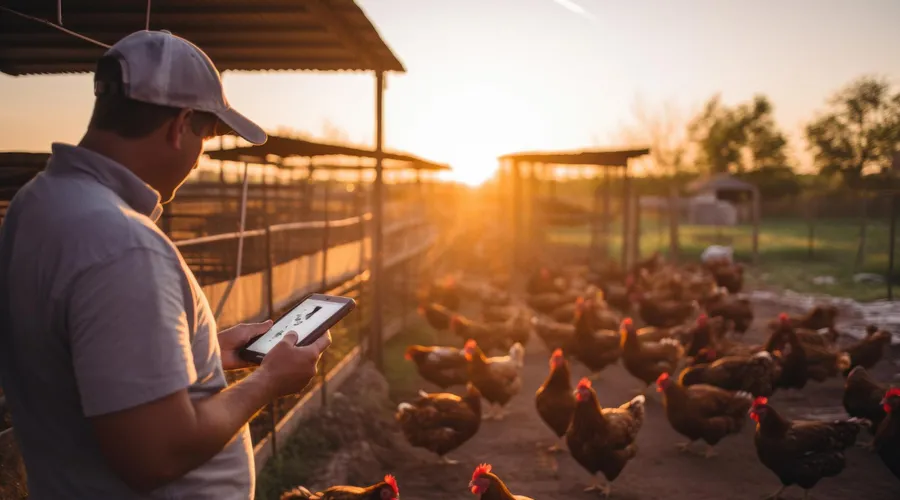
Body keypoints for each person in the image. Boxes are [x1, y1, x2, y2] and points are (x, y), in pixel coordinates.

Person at [0, 30, 331, 499]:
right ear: (180, 126)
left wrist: (210, 353)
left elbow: (89, 360)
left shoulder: (38, 204)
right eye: (207, 136)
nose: (200, 157)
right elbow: (158, 454)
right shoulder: (121, 244)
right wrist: (269, 380)